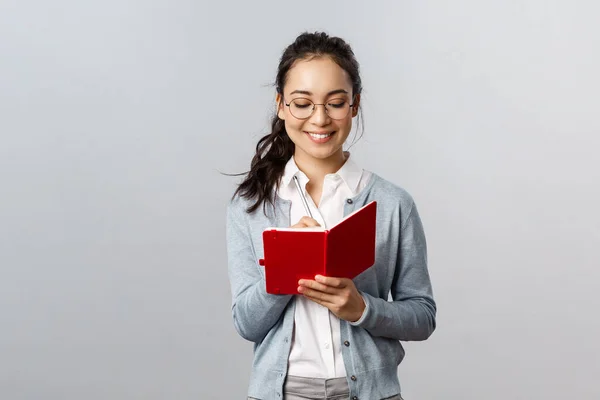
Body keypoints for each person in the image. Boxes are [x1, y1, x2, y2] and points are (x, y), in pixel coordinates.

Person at [226, 31, 436, 400]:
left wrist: (362, 309)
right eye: (302, 103)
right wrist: (285, 268)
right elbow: (246, 322)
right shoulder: (251, 205)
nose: (319, 119)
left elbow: (422, 316)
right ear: (280, 105)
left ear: (354, 105)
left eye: (335, 103)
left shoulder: (392, 203)